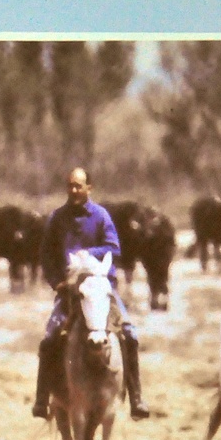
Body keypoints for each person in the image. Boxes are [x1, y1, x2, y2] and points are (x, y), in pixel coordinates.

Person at [31, 167, 151, 421]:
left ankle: (136, 397)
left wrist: (88, 255)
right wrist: (56, 282)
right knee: (50, 338)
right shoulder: (57, 218)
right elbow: (46, 255)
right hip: (69, 291)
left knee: (129, 334)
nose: (74, 190)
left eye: (79, 186)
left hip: (100, 288)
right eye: (70, 186)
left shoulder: (101, 216)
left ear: (89, 188)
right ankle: (42, 399)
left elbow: (113, 247)